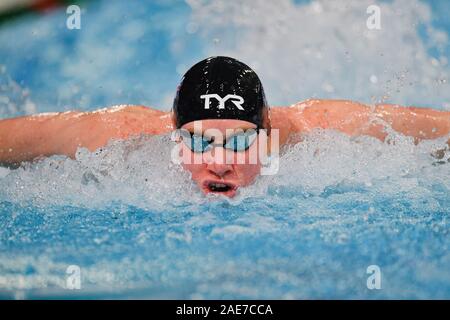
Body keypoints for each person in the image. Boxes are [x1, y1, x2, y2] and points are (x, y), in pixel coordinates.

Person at [0, 56, 449, 197]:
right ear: (174, 136)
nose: (219, 164)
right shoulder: (120, 133)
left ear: (268, 135)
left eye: (239, 141)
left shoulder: (326, 128)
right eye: (197, 141)